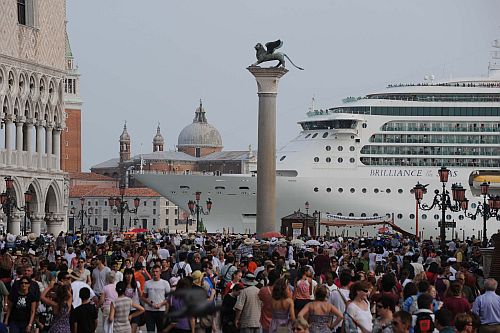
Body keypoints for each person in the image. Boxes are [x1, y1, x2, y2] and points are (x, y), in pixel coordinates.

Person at [141, 264, 171, 332]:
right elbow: (143, 297)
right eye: (153, 271)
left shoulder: (165, 283)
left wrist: (161, 304)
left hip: (161, 311)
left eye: (157, 271)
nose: (155, 273)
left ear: (160, 272)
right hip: (149, 311)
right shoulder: (147, 283)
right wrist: (150, 303)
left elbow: (169, 297)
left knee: (160, 330)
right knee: (150, 331)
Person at [123, 268, 142, 333]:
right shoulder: (123, 285)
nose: (128, 276)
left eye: (130, 274)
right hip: (125, 309)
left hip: (135, 309)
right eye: (127, 274)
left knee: (133, 330)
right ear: (124, 275)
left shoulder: (137, 283)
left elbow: (140, 295)